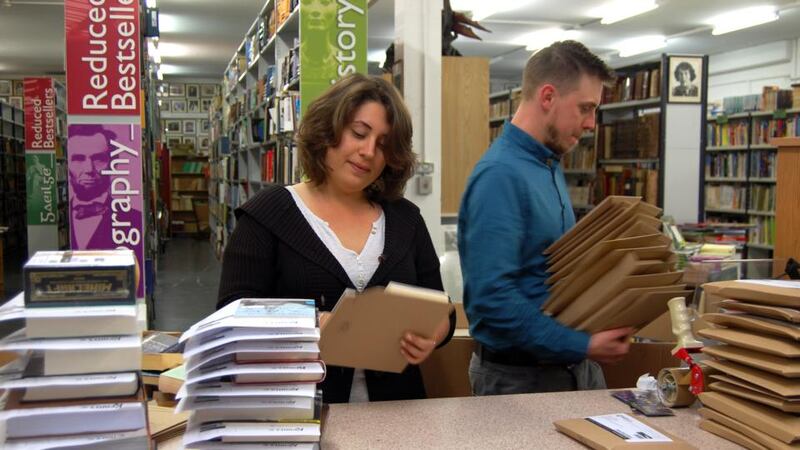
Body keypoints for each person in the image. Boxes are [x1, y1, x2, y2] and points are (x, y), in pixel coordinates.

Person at [218, 73, 456, 404]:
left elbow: (439, 306)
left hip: (399, 415)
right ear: (327, 130)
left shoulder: (406, 219)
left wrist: (435, 332)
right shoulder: (267, 215)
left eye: (384, 144)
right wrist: (311, 322)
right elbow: (232, 312)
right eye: (358, 133)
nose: (369, 151)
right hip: (298, 413)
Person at [458, 40, 632, 396]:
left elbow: (548, 272)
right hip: (520, 381)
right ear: (548, 97)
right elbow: (492, 301)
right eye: (585, 108)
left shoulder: (548, 164)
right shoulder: (500, 176)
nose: (591, 123)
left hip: (570, 370)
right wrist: (581, 344)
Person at [68, 125, 142, 250]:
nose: (89, 169)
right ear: (67, 163)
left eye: (98, 159)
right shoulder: (61, 217)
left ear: (113, 163)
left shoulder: (134, 219)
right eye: (78, 159)